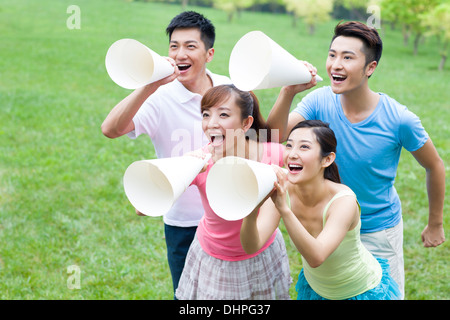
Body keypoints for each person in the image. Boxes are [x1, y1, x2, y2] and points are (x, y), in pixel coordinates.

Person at [266, 21, 445, 299]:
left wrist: (435, 222)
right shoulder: (318, 101)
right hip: (327, 225)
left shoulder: (400, 119)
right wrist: (288, 91)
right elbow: (273, 135)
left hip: (377, 230)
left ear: (370, 68)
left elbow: (434, 165)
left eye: (347, 57)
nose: (335, 64)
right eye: (332, 54)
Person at [101, 11, 231, 296]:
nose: (180, 53)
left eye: (190, 46)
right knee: (187, 296)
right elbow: (110, 129)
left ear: (209, 54)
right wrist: (150, 86)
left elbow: (254, 135)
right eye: (174, 46)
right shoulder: (159, 97)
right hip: (183, 223)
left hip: (228, 216)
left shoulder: (228, 87)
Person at [242, 120, 402, 300]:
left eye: (304, 147)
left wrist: (284, 209)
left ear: (327, 159)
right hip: (317, 290)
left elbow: (317, 257)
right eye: (289, 145)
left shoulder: (344, 201)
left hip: (361, 291)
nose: (292, 154)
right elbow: (252, 246)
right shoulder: (281, 188)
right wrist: (250, 209)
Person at [175, 84, 291, 300]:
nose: (211, 124)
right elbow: (141, 208)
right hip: (215, 259)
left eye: (224, 114)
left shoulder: (274, 155)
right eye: (206, 115)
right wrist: (180, 170)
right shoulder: (199, 162)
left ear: (246, 123)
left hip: (262, 253)